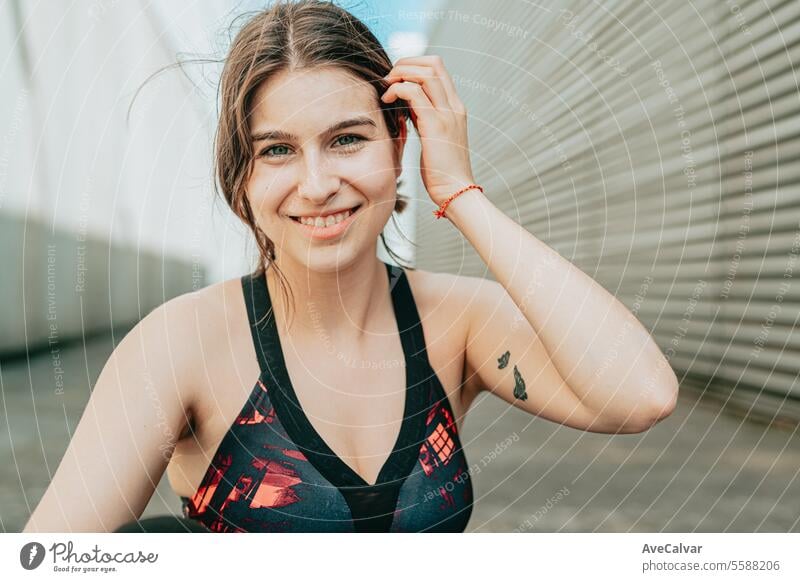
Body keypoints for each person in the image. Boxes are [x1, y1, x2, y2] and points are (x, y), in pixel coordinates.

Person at [24, 0, 678, 533]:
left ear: (397, 145)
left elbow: (641, 393)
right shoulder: (179, 346)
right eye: (278, 149)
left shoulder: (458, 325)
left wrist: (460, 194)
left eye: (347, 139)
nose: (316, 183)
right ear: (241, 178)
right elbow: (48, 560)